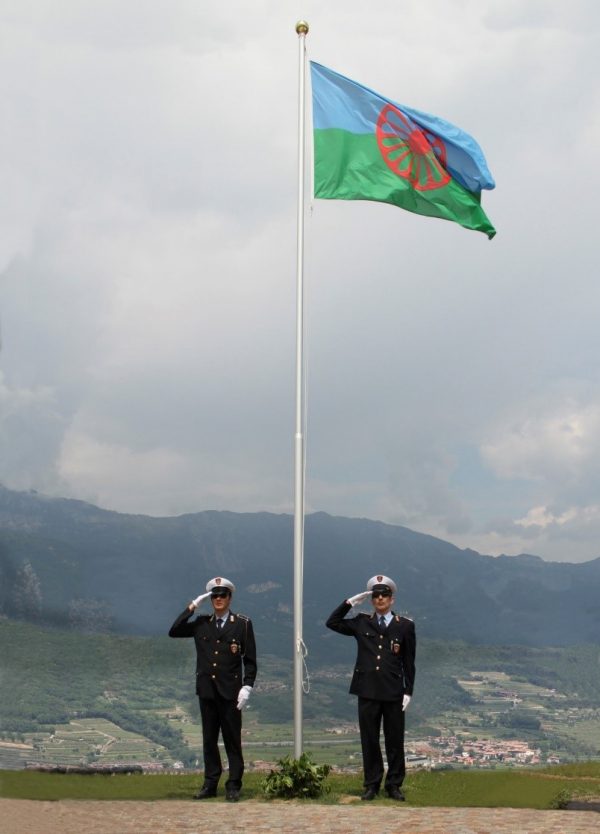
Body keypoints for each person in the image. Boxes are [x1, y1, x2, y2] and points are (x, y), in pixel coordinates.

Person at [326, 574, 416, 801]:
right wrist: (350, 603)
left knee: (395, 741)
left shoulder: (404, 626)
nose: (380, 599)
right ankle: (372, 784)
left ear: (392, 599)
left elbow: (408, 662)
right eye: (375, 595)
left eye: (384, 595)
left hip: (393, 691)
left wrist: (408, 690)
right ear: (371, 599)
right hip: (367, 690)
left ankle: (394, 785)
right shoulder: (361, 622)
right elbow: (332, 623)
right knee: (370, 740)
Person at [168, 576, 257, 801]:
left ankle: (234, 784)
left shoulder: (242, 624)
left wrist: (247, 686)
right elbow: (174, 630)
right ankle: (210, 784)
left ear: (230, 597)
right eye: (214, 595)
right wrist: (192, 605)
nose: (218, 599)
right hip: (207, 690)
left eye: (222, 595)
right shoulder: (201, 623)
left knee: (232, 740)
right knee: (209, 740)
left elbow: (250, 660)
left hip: (231, 692)